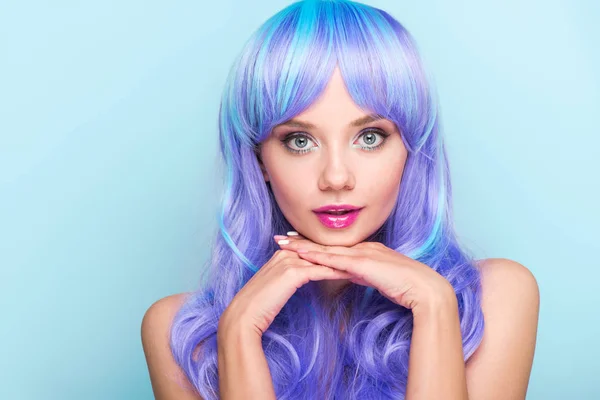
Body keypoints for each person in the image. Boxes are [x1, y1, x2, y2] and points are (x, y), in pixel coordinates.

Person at [141, 0, 540, 399]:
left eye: (370, 138)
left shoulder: (492, 299)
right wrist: (238, 334)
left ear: (410, 148)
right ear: (260, 158)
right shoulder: (181, 334)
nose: (336, 177)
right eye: (299, 141)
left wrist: (434, 308)